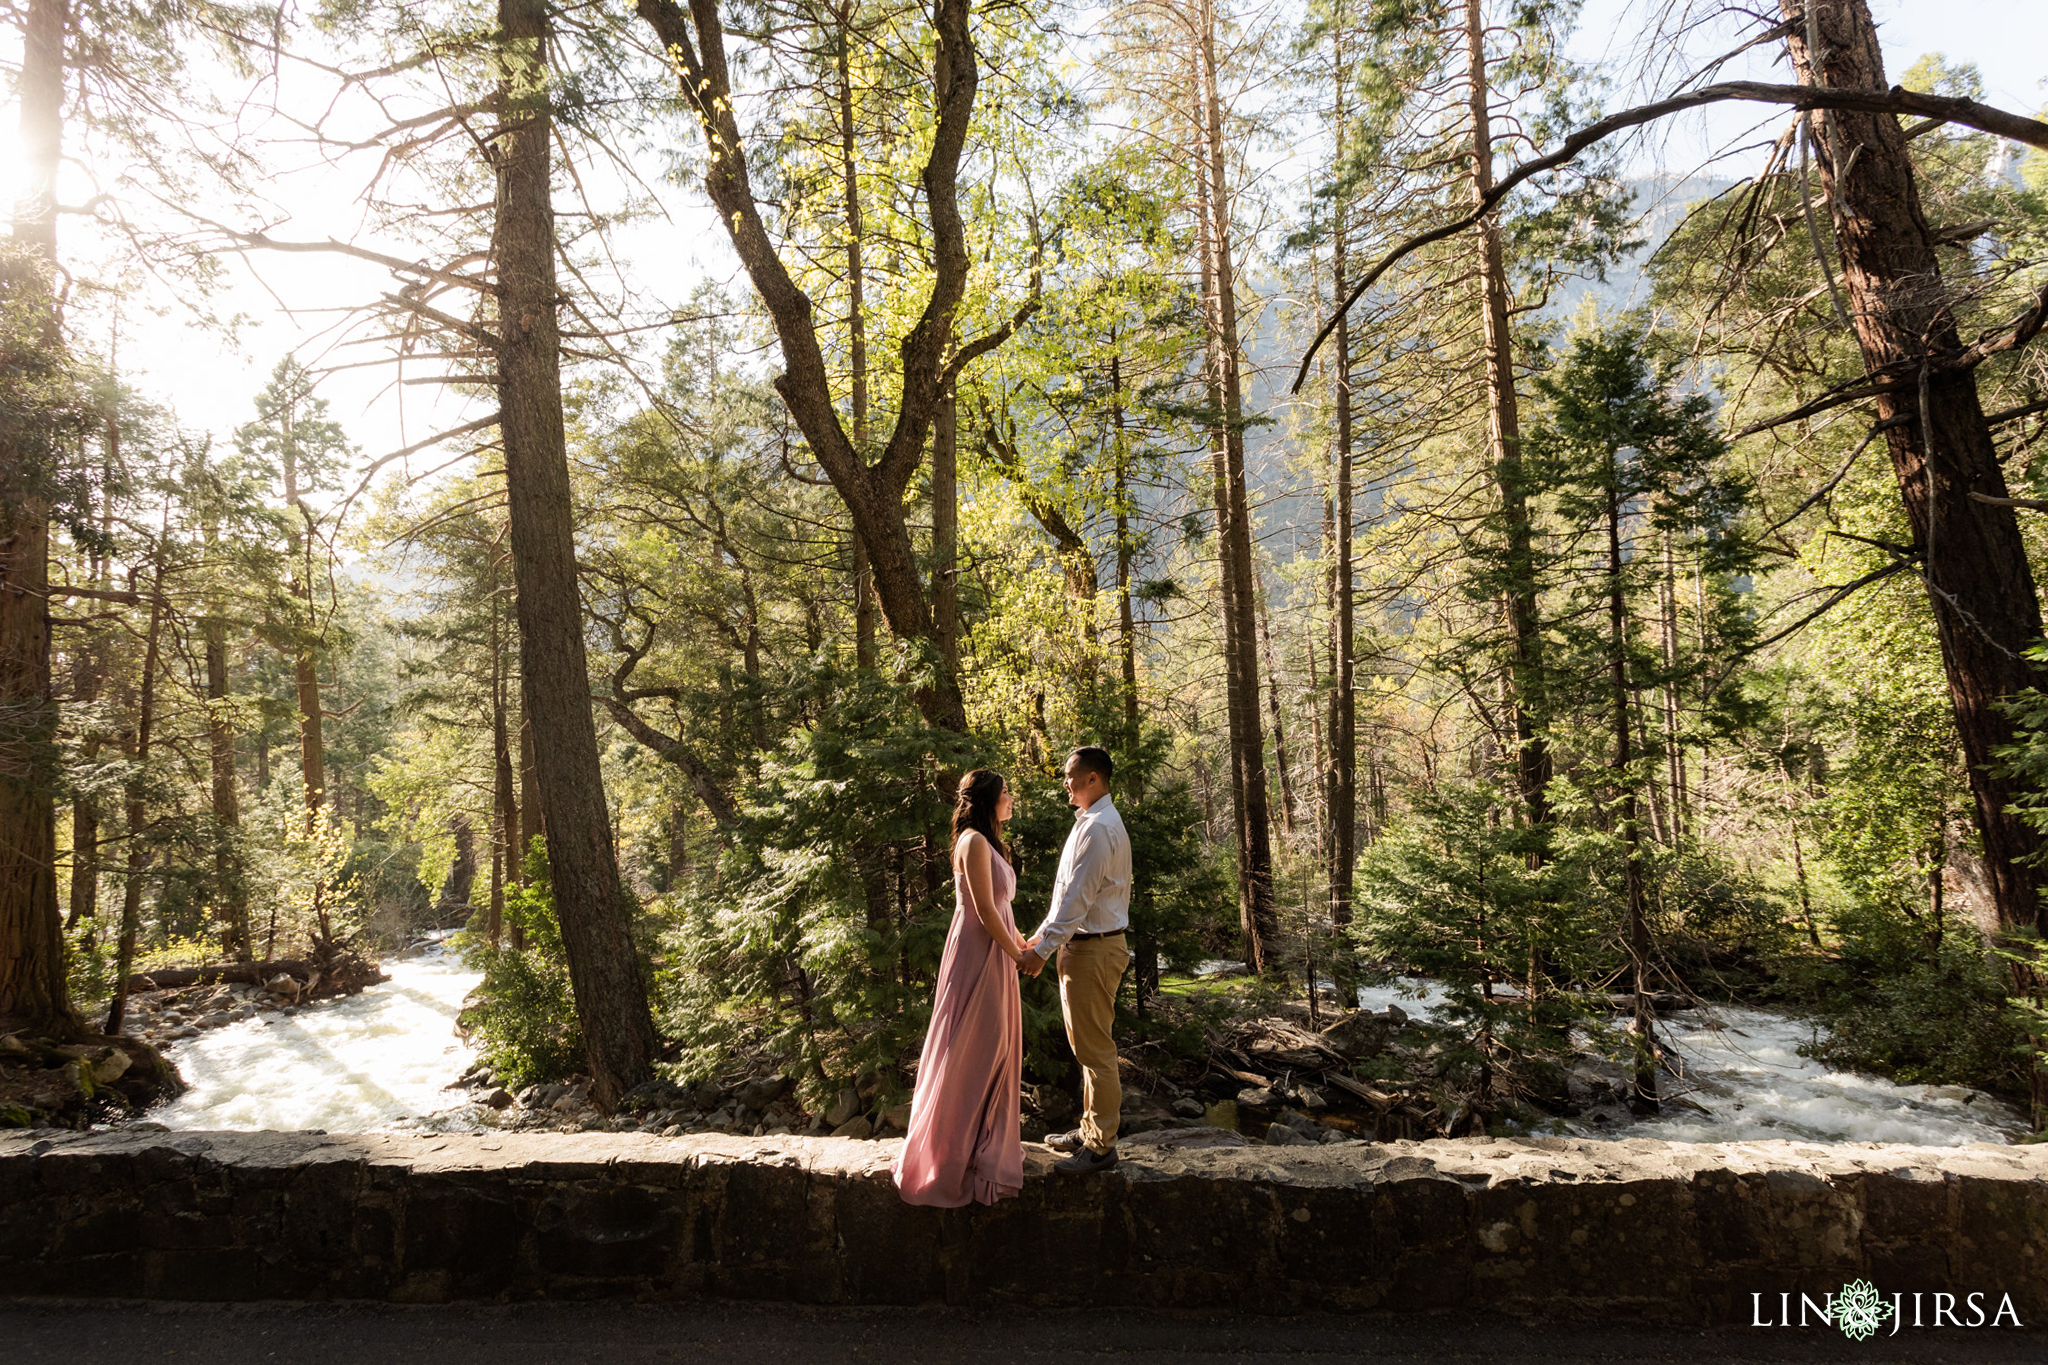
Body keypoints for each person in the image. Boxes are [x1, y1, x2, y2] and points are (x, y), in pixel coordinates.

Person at [893, 769, 1031, 1207]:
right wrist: (1017, 953)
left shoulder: (993, 844)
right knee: (972, 1046)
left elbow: (1002, 910)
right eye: (1006, 792)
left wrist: (1021, 940)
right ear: (989, 799)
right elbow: (985, 912)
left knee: (997, 1046)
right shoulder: (972, 841)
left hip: (998, 949)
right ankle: (945, 1155)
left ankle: (981, 1149)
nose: (1011, 797)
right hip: (979, 951)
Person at [1020, 746, 1131, 1174]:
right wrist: (1041, 937)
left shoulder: (1100, 829)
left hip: (1094, 948)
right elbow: (1066, 894)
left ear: (1093, 779)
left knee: (1096, 1050)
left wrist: (1042, 952)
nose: (1065, 782)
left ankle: (1102, 1147)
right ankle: (1088, 1130)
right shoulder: (1090, 822)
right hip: (1086, 946)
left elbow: (1078, 901)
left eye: (1071, 775)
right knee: (1086, 1047)